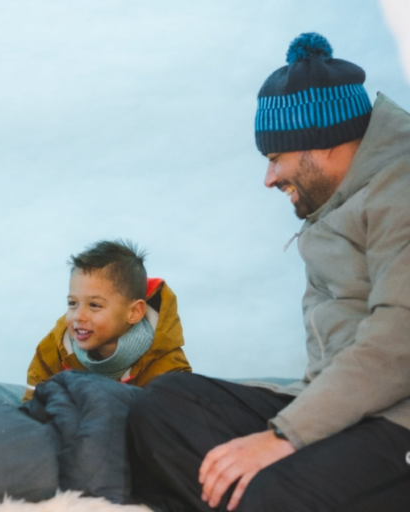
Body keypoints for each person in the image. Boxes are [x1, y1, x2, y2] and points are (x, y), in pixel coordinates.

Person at [127, 33, 410, 512]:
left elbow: (398, 341)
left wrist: (286, 437)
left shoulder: (399, 193)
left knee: (270, 491)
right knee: (164, 407)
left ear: (321, 142)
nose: (269, 178)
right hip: (341, 406)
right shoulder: (340, 194)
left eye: (276, 159)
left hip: (398, 420)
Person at [25, 240, 191, 400]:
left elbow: (171, 423)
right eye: (73, 303)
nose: (78, 316)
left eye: (95, 305)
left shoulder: (168, 369)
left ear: (134, 312)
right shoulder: (54, 348)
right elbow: (33, 405)